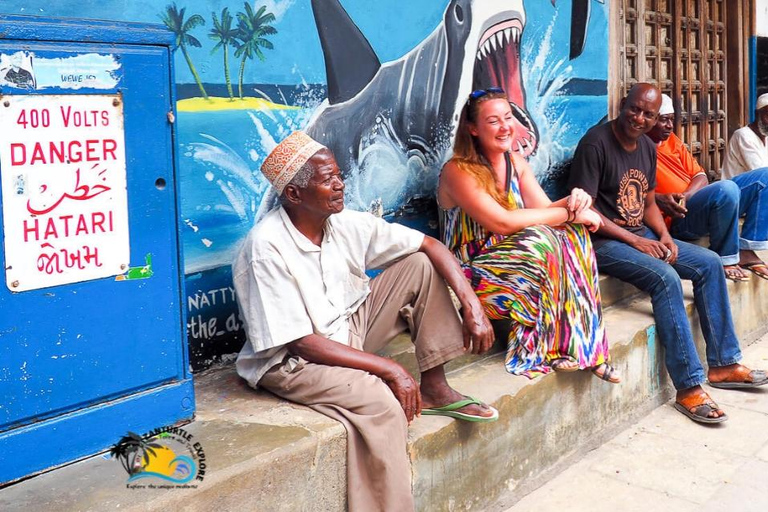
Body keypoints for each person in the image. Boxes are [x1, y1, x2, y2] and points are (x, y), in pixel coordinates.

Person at [233, 131, 498, 512]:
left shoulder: (341, 223)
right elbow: (302, 343)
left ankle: (436, 388)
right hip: (293, 361)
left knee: (417, 264)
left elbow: (431, 246)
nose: (340, 185)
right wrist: (389, 368)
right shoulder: (265, 248)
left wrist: (471, 306)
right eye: (328, 180)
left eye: (339, 175)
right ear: (294, 195)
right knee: (382, 406)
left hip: (345, 330)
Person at [568, 83, 768, 425]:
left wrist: (662, 234)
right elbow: (587, 213)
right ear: (622, 104)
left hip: (642, 234)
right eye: (635, 109)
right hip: (602, 242)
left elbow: (647, 202)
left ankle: (723, 364)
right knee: (665, 278)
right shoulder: (595, 143)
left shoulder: (646, 146)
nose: (640, 118)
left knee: (707, 263)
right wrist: (638, 242)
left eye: (648, 114)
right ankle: (688, 386)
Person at [437, 87, 620, 383]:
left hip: (517, 267)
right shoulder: (458, 171)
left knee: (573, 233)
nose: (505, 126)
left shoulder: (515, 163)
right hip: (471, 279)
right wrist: (570, 213)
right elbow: (504, 223)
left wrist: (575, 200)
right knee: (544, 239)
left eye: (508, 117)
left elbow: (545, 210)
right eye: (493, 121)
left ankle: (587, 350)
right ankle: (540, 349)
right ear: (472, 129)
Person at [648, 93, 768, 281]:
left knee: (765, 176)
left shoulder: (671, 140)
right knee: (726, 189)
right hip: (677, 218)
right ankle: (726, 257)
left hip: (693, 201)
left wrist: (687, 195)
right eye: (664, 120)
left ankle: (746, 249)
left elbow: (700, 176)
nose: (670, 126)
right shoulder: (639, 148)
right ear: (650, 120)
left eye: (671, 120)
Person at [722, 93, 768, 178]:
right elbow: (761, 173)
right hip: (740, 188)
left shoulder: (766, 136)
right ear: (757, 114)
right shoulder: (743, 135)